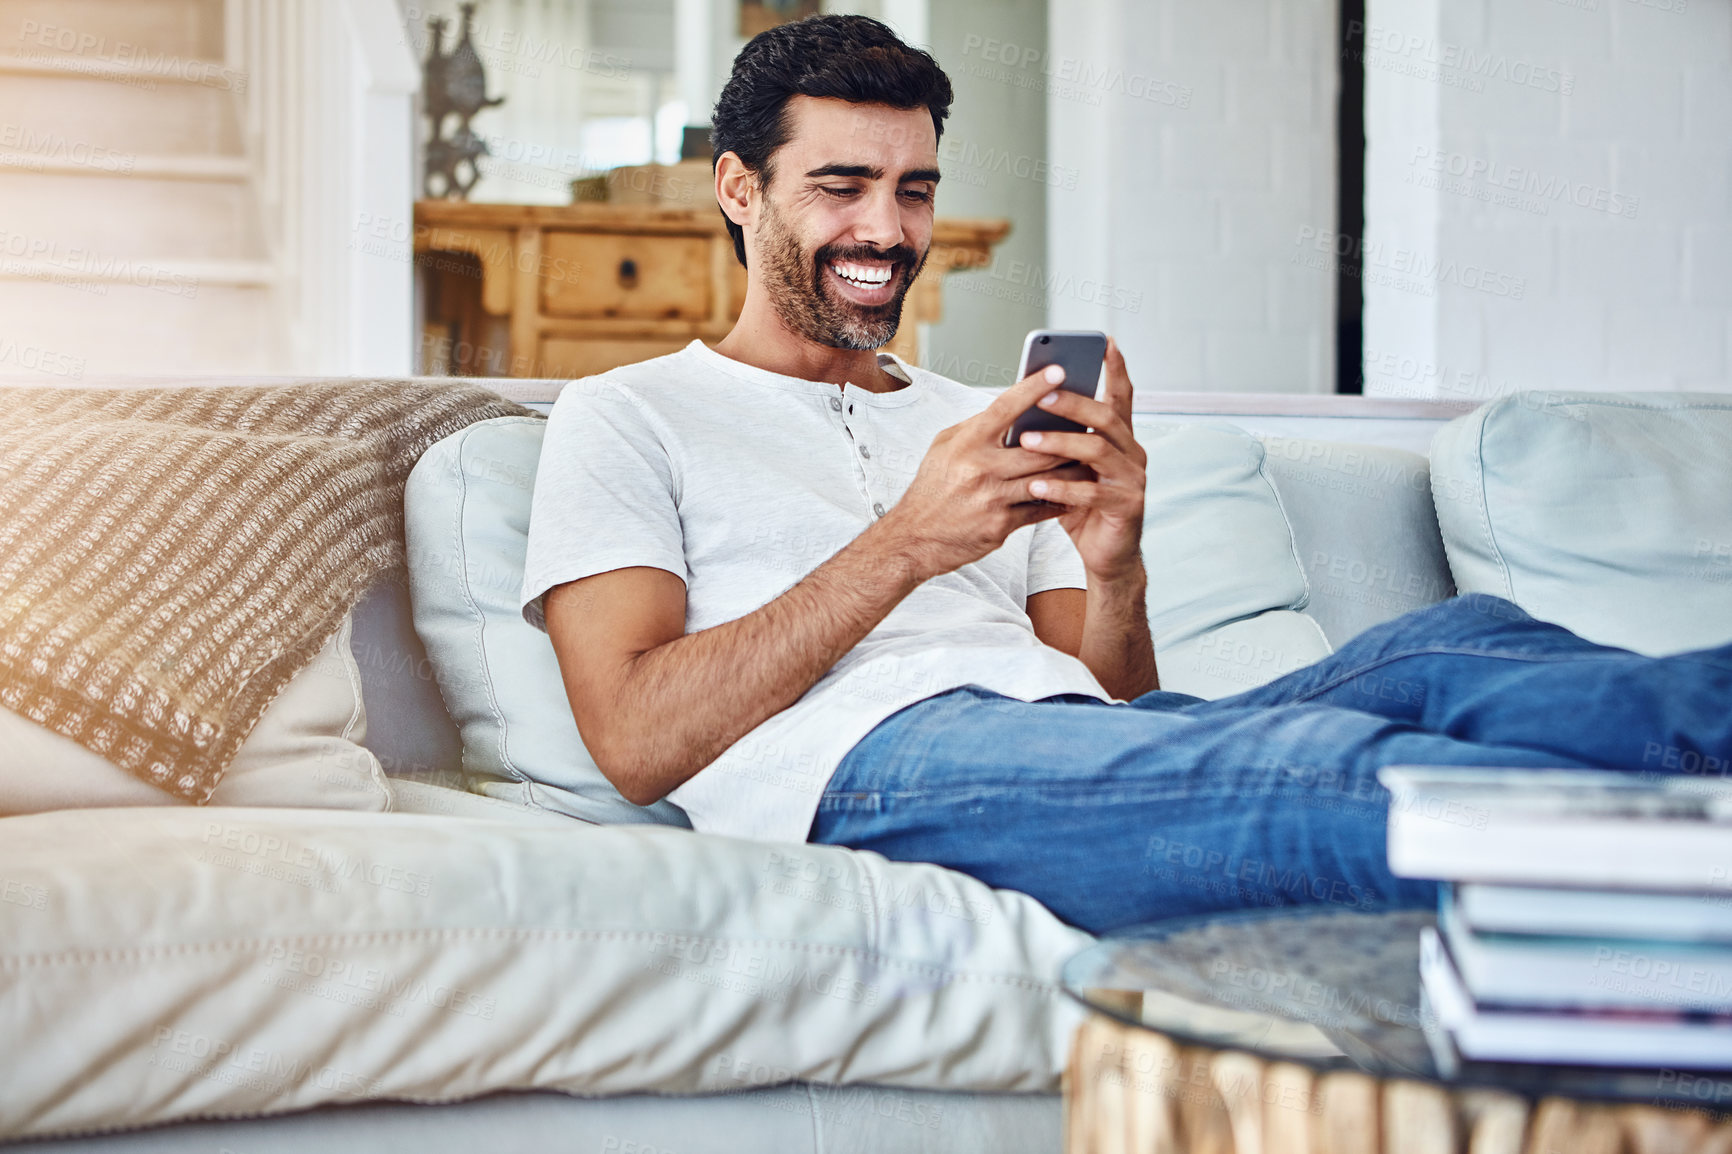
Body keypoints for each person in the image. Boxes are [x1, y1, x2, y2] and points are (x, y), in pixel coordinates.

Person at [521, 15, 1731, 935]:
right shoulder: (629, 414)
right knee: (1304, 777)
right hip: (874, 761)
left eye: (914, 188)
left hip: (1064, 743)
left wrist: (1113, 557)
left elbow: (1112, 706)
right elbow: (635, 737)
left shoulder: (977, 420)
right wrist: (906, 540)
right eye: (840, 187)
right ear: (741, 189)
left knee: (1457, 643)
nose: (886, 230)